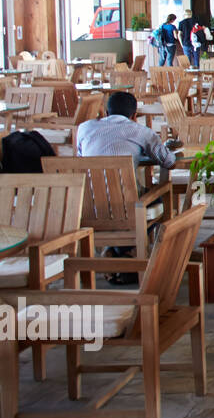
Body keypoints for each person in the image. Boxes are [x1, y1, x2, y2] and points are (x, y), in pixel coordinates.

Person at [76, 90, 181, 283]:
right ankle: (129, 254)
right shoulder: (141, 131)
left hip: (88, 207)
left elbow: (82, 157)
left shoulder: (84, 128)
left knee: (127, 197)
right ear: (134, 116)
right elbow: (168, 161)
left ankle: (114, 252)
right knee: (155, 197)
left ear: (106, 113)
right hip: (126, 209)